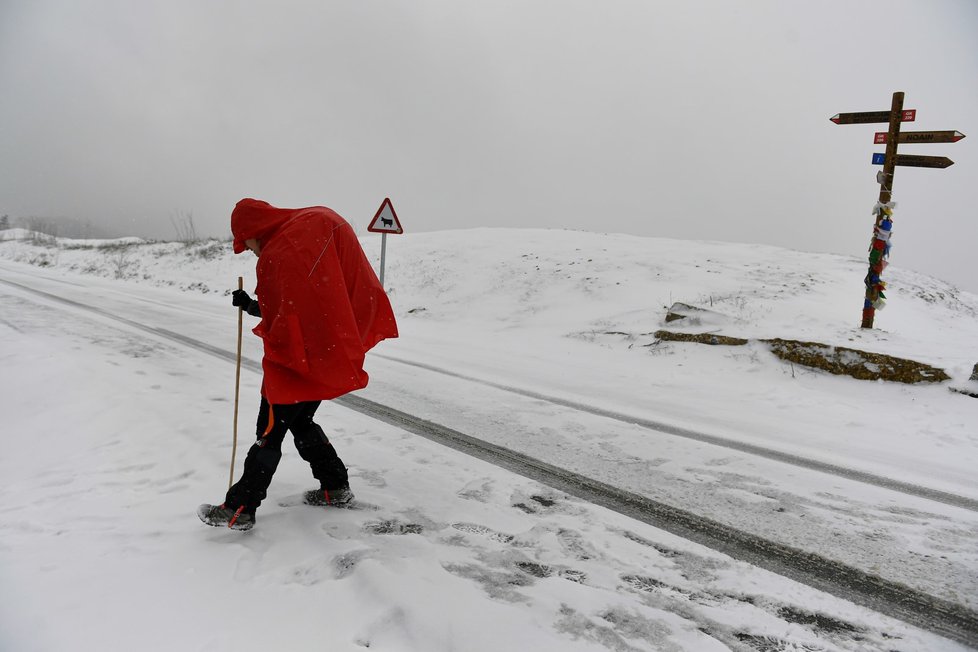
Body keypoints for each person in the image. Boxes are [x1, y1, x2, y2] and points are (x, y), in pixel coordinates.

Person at [198, 199, 398, 530]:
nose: (247, 249)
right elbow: (297, 304)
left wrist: (275, 334)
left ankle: (239, 509)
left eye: (244, 241)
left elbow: (287, 314)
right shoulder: (298, 237)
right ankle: (335, 487)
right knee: (302, 420)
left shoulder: (282, 251)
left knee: (269, 431)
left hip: (296, 362)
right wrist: (251, 305)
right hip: (320, 352)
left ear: (253, 230)